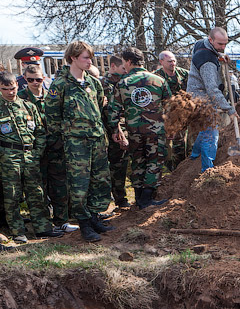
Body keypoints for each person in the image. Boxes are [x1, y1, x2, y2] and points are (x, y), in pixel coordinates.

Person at [45, 40, 113, 242]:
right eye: (85, 57)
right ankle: (84, 223)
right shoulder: (61, 85)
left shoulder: (93, 83)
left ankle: (94, 217)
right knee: (79, 185)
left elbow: (100, 108)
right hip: (76, 144)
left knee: (99, 180)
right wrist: (65, 136)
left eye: (90, 57)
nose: (89, 61)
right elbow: (51, 115)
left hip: (97, 140)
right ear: (73, 58)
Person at [0, 71, 63, 242]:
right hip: (8, 158)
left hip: (30, 155)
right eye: (5, 89)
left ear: (17, 85)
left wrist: (37, 152)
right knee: (12, 195)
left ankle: (43, 228)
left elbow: (41, 132)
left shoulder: (28, 106)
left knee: (36, 193)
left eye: (12, 88)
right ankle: (17, 231)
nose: (10, 92)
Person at [107, 47, 172, 210]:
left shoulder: (122, 83)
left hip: (134, 132)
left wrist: (116, 131)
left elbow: (113, 110)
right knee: (154, 161)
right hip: (155, 131)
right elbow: (171, 106)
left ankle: (139, 198)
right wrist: (171, 127)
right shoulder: (158, 80)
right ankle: (146, 198)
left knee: (138, 162)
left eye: (124, 63)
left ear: (128, 62)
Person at [17, 64, 76, 232]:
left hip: (55, 147)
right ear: (25, 79)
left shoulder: (52, 96)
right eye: (30, 80)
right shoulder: (21, 98)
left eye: (38, 79)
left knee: (59, 185)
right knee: (38, 188)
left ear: (43, 79)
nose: (35, 83)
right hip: (34, 150)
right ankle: (43, 224)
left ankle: (61, 221)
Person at [187, 28, 237, 172]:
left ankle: (194, 155)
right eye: (220, 44)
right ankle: (207, 170)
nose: (223, 47)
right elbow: (212, 89)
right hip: (201, 98)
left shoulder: (201, 44)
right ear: (211, 40)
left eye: (225, 44)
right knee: (212, 132)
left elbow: (207, 48)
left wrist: (220, 55)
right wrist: (229, 109)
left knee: (205, 130)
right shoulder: (207, 62)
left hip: (196, 94)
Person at [101, 56, 131, 208]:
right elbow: (109, 111)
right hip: (112, 131)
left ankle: (121, 197)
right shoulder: (105, 84)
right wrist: (118, 131)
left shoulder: (122, 82)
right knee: (117, 166)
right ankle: (119, 198)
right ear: (113, 66)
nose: (126, 71)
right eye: (123, 68)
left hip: (125, 127)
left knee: (124, 165)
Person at [153, 50, 190, 171]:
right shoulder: (156, 77)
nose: (172, 63)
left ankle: (182, 169)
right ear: (161, 61)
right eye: (169, 61)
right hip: (165, 116)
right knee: (167, 148)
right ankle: (170, 170)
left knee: (182, 144)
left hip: (183, 114)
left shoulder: (183, 74)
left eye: (174, 61)